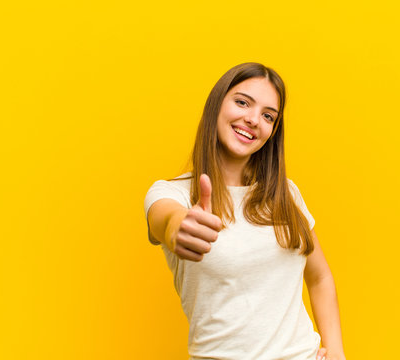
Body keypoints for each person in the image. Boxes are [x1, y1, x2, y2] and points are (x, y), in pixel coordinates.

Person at [144, 62, 347, 360]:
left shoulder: (285, 194)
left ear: (273, 132)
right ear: (216, 106)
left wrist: (338, 354)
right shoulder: (171, 194)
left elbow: (319, 277)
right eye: (242, 102)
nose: (253, 119)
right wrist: (178, 226)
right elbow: (164, 219)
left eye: (268, 116)